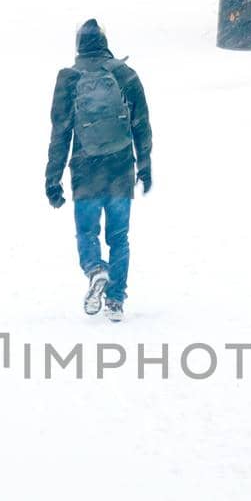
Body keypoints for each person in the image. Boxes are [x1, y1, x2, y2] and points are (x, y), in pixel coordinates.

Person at [44, 19, 152, 322]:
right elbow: (141, 124)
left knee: (87, 232)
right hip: (120, 168)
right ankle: (115, 300)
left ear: (78, 45)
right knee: (119, 236)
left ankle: (95, 270)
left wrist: (52, 179)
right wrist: (145, 166)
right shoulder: (125, 75)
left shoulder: (68, 79)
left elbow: (60, 133)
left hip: (85, 169)